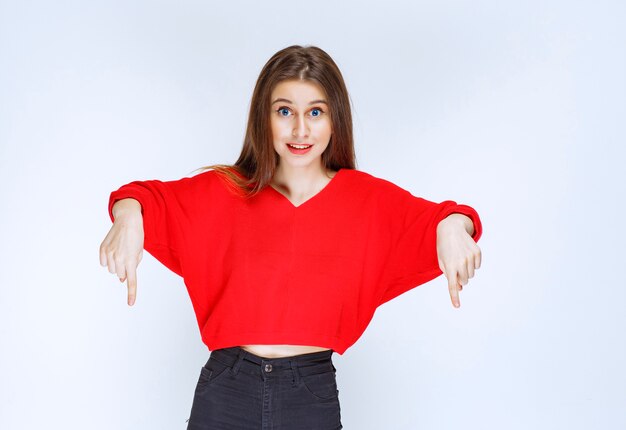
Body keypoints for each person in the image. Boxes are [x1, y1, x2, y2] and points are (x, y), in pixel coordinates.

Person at [99, 45, 483, 430]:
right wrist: (129, 215)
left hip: (310, 395)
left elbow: (445, 218)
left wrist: (452, 226)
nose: (300, 129)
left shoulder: (367, 200)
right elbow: (145, 197)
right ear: (263, 118)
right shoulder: (225, 189)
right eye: (285, 111)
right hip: (226, 390)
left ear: (336, 121)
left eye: (315, 112)